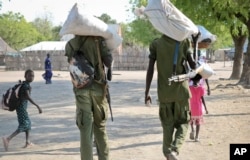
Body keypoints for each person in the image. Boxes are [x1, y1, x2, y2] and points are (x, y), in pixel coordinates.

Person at [145, 34, 196, 160]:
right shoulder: (184, 42)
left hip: (164, 94)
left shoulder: (156, 44)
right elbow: (194, 66)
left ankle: (168, 153)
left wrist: (146, 92)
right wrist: (194, 44)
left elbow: (150, 69)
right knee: (184, 123)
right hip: (181, 93)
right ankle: (175, 150)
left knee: (167, 126)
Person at [65, 35, 113, 160]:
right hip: (98, 90)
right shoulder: (98, 41)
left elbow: (73, 66)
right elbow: (108, 62)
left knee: (85, 131)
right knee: (100, 129)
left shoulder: (70, 44)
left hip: (81, 90)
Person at [2, 69, 42, 151]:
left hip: (21, 108)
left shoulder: (24, 84)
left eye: (33, 76)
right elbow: (28, 97)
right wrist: (37, 106)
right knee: (23, 125)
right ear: (25, 76)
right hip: (21, 108)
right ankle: (8, 139)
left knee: (28, 124)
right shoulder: (25, 86)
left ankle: (27, 142)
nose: (31, 77)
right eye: (29, 75)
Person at [189, 74, 208, 142]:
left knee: (191, 120)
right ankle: (197, 137)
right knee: (198, 122)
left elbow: (187, 98)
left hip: (191, 107)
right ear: (199, 80)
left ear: (191, 80)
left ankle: (192, 130)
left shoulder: (189, 88)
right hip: (198, 107)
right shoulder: (201, 88)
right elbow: (202, 99)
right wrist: (205, 108)